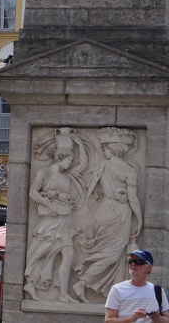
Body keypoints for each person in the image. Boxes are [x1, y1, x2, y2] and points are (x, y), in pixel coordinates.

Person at [75, 128, 144, 301]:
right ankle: (83, 281)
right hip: (119, 213)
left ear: (113, 149)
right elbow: (133, 199)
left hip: (104, 209)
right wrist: (139, 219)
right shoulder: (128, 170)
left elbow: (94, 190)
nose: (104, 150)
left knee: (111, 252)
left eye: (106, 147)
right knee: (112, 254)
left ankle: (112, 288)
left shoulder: (102, 166)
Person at [23, 128, 84, 302]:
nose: (70, 164)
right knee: (41, 253)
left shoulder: (67, 177)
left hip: (65, 222)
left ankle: (63, 294)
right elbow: (33, 193)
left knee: (69, 255)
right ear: (61, 157)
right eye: (69, 160)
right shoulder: (44, 173)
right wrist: (49, 204)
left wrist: (80, 144)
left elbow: (84, 165)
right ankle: (30, 283)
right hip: (50, 222)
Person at [104, 249, 169, 323]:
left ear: (149, 267)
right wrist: (132, 319)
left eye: (138, 262)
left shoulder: (158, 290)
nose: (133, 264)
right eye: (130, 261)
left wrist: (159, 318)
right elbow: (108, 320)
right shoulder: (117, 289)